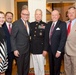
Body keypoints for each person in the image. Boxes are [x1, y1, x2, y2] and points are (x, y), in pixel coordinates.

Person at [45, 10, 67, 75]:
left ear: (58, 16)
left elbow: (63, 38)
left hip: (57, 50)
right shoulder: (48, 24)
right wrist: (46, 49)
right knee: (51, 67)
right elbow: (46, 37)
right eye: (52, 15)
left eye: (56, 15)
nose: (54, 16)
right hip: (50, 50)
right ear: (51, 16)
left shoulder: (62, 24)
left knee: (57, 68)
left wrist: (59, 51)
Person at [11, 8, 30, 75]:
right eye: (24, 14)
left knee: (26, 67)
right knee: (20, 68)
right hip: (19, 50)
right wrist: (15, 49)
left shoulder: (28, 24)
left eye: (27, 14)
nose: (26, 16)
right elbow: (12, 37)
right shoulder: (16, 23)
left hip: (27, 50)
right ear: (21, 14)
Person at [30, 9, 47, 75]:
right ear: (34, 15)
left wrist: (45, 49)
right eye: (36, 14)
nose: (38, 15)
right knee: (35, 66)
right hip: (33, 49)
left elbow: (46, 38)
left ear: (42, 15)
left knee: (41, 66)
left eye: (39, 14)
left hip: (41, 49)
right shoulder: (31, 24)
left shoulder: (45, 25)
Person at [64, 7, 76, 75]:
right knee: (67, 70)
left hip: (75, 52)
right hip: (66, 52)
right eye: (69, 13)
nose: (71, 14)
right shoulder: (65, 24)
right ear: (67, 14)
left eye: (73, 12)